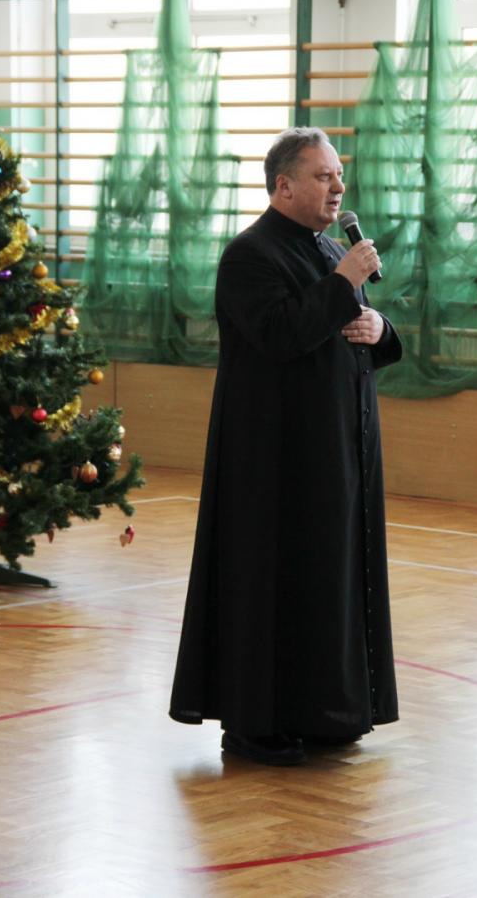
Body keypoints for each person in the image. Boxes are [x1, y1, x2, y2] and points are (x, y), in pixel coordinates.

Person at [169, 127, 402, 766]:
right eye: (324, 176)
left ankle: (324, 712)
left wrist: (380, 327)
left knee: (328, 581)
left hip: (337, 450)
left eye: (339, 175)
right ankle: (254, 724)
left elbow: (346, 331)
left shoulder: (329, 249)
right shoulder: (250, 255)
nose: (338, 187)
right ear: (284, 185)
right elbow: (278, 335)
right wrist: (343, 282)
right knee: (269, 583)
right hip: (273, 459)